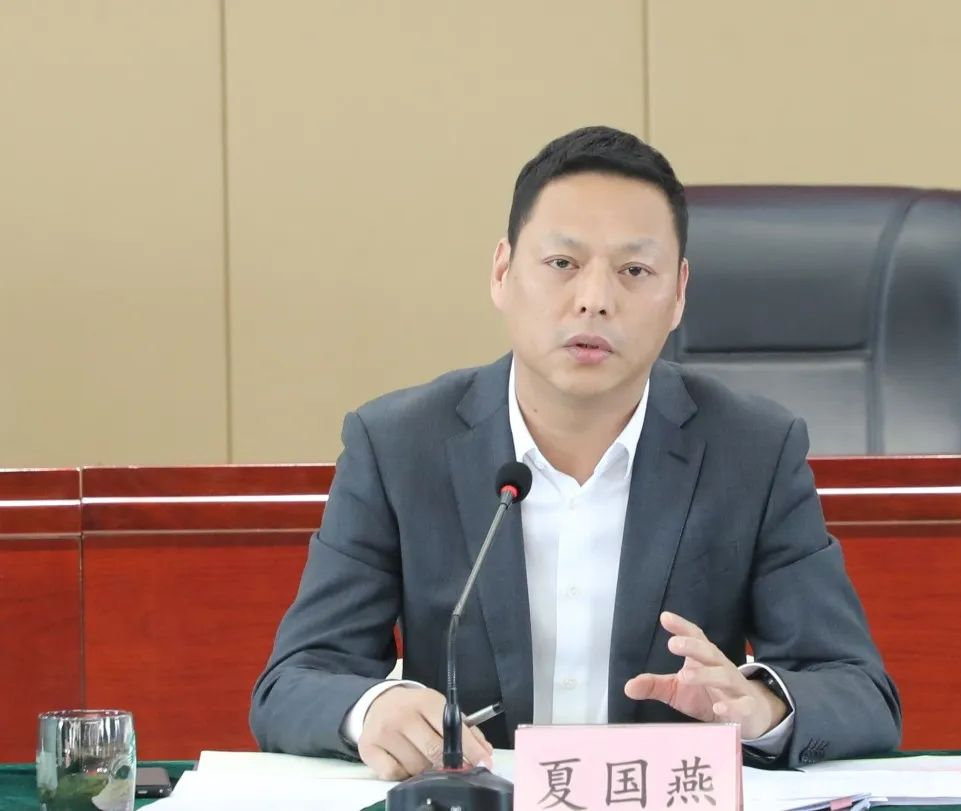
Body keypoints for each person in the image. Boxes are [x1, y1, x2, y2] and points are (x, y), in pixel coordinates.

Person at [250, 125, 901, 779]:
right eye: (563, 263)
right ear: (502, 272)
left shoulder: (752, 451)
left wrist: (759, 707)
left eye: (634, 271)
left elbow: (859, 692)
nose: (595, 299)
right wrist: (374, 709)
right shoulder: (398, 446)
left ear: (678, 293)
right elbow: (295, 681)